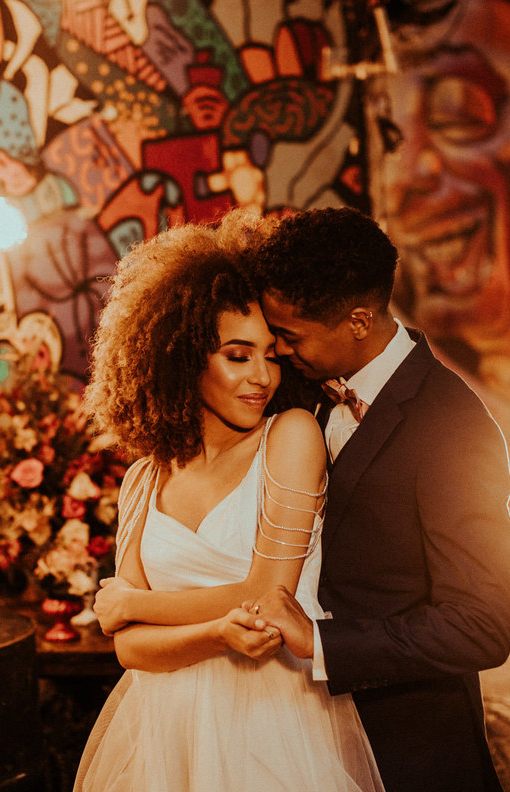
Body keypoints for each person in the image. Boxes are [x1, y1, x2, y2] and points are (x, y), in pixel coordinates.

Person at [73, 211, 383, 791]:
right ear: (183, 357)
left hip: (273, 726)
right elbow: (132, 652)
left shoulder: (289, 436)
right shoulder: (142, 479)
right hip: (164, 733)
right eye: (238, 356)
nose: (262, 376)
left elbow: (267, 597)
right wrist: (211, 634)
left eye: (271, 353)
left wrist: (128, 604)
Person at [248, 206, 510, 792]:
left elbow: (482, 625)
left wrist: (322, 643)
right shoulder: (301, 388)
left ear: (359, 321)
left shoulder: (453, 426)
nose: (278, 351)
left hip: (409, 743)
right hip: (302, 739)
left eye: (290, 337)